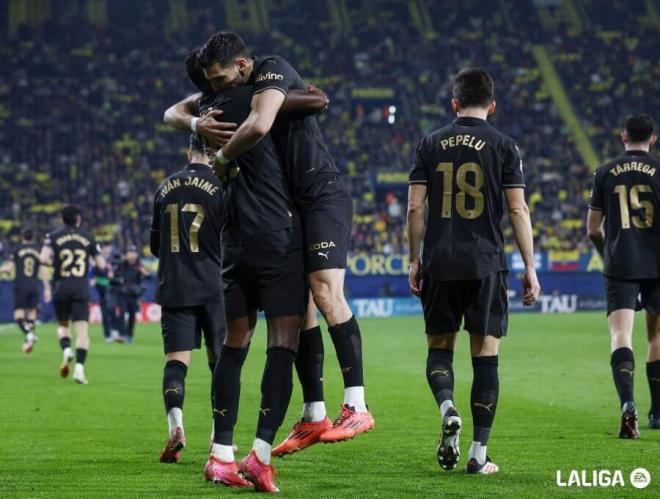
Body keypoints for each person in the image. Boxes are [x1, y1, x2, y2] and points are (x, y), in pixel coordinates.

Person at [166, 32, 374, 456]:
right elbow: (174, 110)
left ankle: (356, 403)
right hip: (291, 206)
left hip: (320, 193)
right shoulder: (233, 93)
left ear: (243, 66)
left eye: (221, 79)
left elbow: (293, 108)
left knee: (323, 290)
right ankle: (313, 414)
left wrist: (220, 159)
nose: (217, 89)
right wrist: (195, 121)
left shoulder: (271, 69)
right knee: (300, 312)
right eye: (211, 84)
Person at [406, 67, 541, 475]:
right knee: (486, 359)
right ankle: (479, 454)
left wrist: (414, 259)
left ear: (454, 103)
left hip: (440, 262)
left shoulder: (429, 143)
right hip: (486, 263)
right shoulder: (504, 145)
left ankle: (447, 407)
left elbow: (415, 208)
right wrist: (530, 267)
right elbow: (517, 208)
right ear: (492, 105)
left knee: (438, 350)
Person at [151, 133, 225, 464]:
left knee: (176, 364)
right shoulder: (224, 187)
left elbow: (156, 245)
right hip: (214, 287)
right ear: (216, 152)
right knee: (221, 364)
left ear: (189, 151)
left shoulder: (164, 187)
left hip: (175, 287)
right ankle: (218, 437)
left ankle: (176, 427)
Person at [587, 113, 660, 436]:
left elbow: (593, 229)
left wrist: (609, 256)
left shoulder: (604, 172)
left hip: (620, 265)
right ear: (653, 139)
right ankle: (657, 412)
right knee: (656, 337)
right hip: (657, 264)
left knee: (621, 336)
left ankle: (627, 403)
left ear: (623, 137)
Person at [40, 205, 105, 384]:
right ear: (78, 219)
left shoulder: (52, 236)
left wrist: (57, 263)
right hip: (80, 287)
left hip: (60, 287)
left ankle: (67, 349)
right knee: (82, 331)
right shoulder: (88, 237)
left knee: (63, 325)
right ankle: (79, 370)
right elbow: (101, 264)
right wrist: (90, 259)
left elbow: (43, 259)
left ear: (62, 219)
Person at [0, 227, 48, 353]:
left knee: (18, 316)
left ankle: (28, 334)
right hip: (34, 285)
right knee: (31, 314)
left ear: (22, 237)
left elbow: (9, 268)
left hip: (21, 285)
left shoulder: (17, 249)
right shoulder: (39, 250)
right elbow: (43, 270)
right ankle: (28, 341)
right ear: (34, 237)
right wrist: (47, 288)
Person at [116, 244, 148, 343]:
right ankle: (121, 334)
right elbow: (115, 275)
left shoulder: (139, 265)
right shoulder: (122, 264)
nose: (132, 255)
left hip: (133, 294)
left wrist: (144, 272)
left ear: (137, 254)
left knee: (132, 315)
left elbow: (148, 275)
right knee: (121, 313)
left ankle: (129, 335)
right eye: (130, 252)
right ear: (127, 254)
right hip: (123, 293)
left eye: (133, 252)